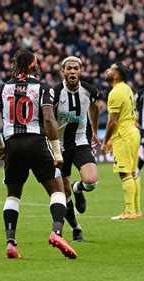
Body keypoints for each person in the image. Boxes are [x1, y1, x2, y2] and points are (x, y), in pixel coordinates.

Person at [0, 49, 77, 259]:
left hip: (12, 145)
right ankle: (57, 233)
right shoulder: (43, 88)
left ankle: (11, 242)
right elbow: (48, 119)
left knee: (13, 195)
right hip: (36, 142)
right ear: (33, 66)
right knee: (57, 191)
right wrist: (56, 151)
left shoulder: (1, 88)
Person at [52, 56, 100, 242]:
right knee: (63, 193)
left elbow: (94, 108)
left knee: (91, 181)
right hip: (59, 146)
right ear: (63, 72)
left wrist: (94, 131)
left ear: (81, 71)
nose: (72, 71)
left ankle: (78, 188)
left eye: (75, 68)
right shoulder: (54, 93)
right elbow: (46, 119)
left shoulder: (90, 91)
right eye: (69, 68)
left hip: (80, 142)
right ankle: (76, 228)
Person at [101, 62, 141, 220]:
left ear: (116, 75)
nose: (107, 70)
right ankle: (136, 210)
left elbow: (112, 122)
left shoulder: (115, 92)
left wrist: (106, 141)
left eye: (110, 69)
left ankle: (129, 211)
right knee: (132, 174)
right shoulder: (127, 88)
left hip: (123, 135)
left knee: (125, 174)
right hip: (132, 132)